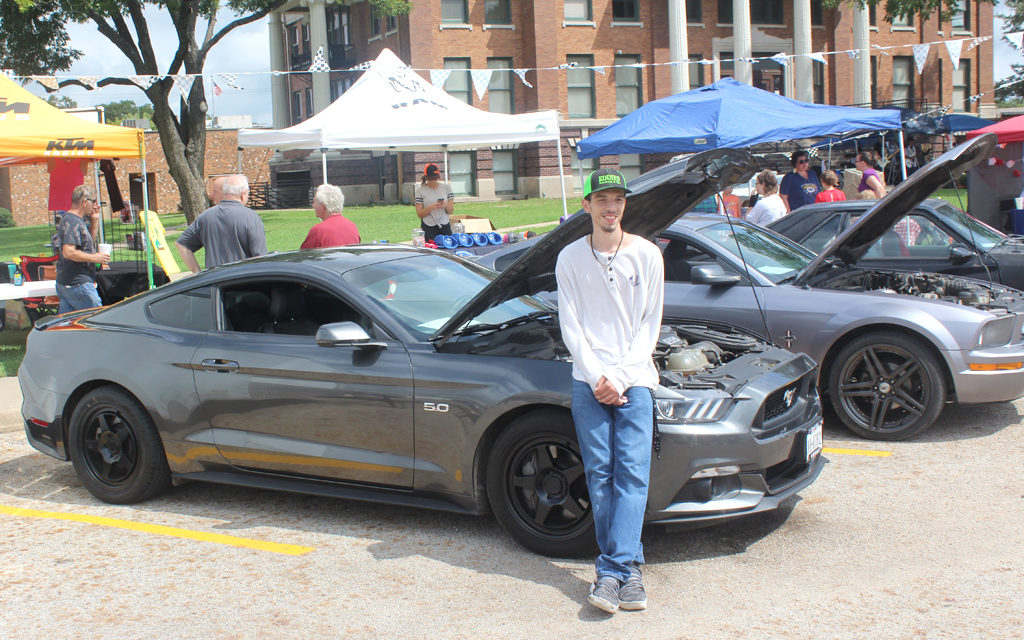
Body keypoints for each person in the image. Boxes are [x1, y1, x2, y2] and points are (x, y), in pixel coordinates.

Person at [555, 168, 664, 615]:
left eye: (617, 199)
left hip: (635, 379)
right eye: (601, 199)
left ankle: (613, 570)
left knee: (632, 474)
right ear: (586, 206)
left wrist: (618, 378)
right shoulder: (569, 258)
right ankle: (627, 569)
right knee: (600, 474)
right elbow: (571, 326)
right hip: (588, 380)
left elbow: (649, 325)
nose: (610, 207)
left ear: (625, 205)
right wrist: (598, 375)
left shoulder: (648, 255)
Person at [175, 174, 267, 272]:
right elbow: (261, 259)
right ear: (243, 194)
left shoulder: (205, 217)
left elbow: (181, 244)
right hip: (243, 282)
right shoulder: (251, 218)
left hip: (215, 283)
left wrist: (198, 273)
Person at [54, 184, 111, 313]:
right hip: (78, 284)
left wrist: (95, 220)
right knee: (95, 321)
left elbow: (87, 244)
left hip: (68, 283)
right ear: (85, 202)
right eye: (94, 201)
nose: (95, 205)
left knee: (69, 327)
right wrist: (95, 257)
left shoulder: (75, 220)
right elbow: (68, 252)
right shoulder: (72, 221)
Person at [300, 184, 360, 249]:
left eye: (314, 202)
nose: (313, 205)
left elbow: (304, 256)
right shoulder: (352, 226)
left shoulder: (318, 230)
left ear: (323, 206)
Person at [414, 163, 454, 242]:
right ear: (426, 177)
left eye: (435, 178)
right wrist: (429, 208)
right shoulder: (420, 190)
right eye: (430, 179)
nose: (433, 181)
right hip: (428, 226)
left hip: (445, 225)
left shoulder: (446, 188)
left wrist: (446, 205)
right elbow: (419, 214)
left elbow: (451, 211)